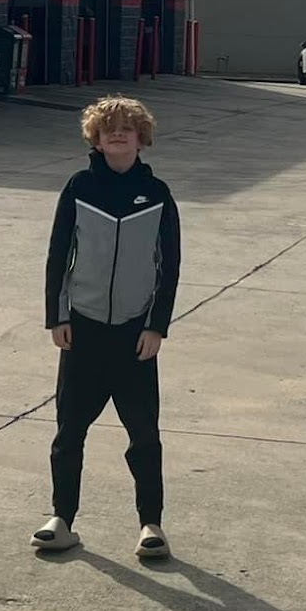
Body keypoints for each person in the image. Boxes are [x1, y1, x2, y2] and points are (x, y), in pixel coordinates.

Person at [31, 95, 181, 561]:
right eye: (108, 128)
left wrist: (156, 326)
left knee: (144, 435)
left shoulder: (156, 194)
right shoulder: (79, 188)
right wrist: (58, 315)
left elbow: (169, 266)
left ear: (141, 138)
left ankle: (151, 524)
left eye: (127, 128)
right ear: (95, 139)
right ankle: (61, 519)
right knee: (69, 432)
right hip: (83, 331)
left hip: (135, 336)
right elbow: (59, 255)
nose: (117, 134)